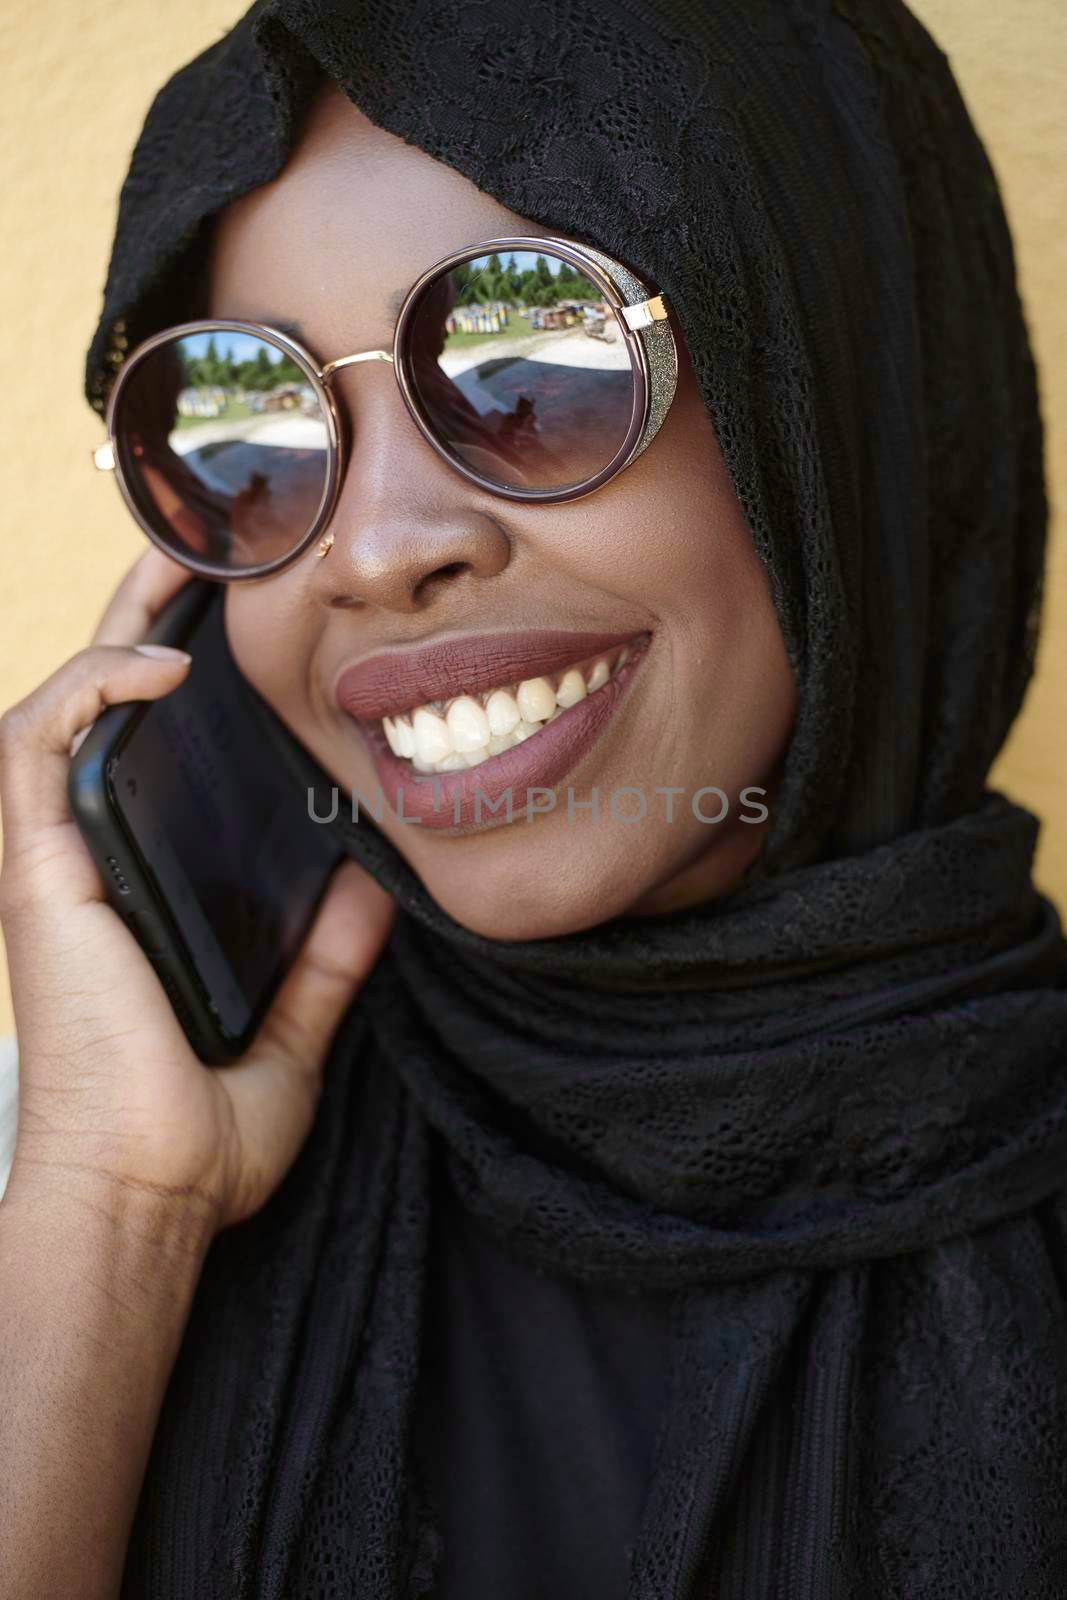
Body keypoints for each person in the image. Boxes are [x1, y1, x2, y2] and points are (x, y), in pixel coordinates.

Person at [2, 2, 1067, 1597]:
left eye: (534, 357)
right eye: (252, 419)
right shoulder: (89, 1178)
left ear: (837, 403)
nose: (371, 547)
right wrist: (111, 1211)